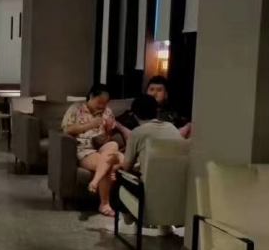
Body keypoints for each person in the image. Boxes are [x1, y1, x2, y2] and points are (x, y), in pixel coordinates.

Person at [62, 83, 123, 217]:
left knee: (113, 145)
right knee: (107, 162)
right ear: (91, 96)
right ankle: (104, 204)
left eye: (105, 103)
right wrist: (90, 125)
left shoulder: (107, 112)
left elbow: (109, 136)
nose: (102, 106)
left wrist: (108, 128)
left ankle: (95, 181)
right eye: (99, 102)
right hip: (85, 149)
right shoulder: (75, 109)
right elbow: (67, 129)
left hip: (102, 145)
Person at [121, 93, 183, 174]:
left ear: (135, 115)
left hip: (151, 180)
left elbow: (126, 167)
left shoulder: (137, 132)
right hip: (178, 178)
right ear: (157, 112)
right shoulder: (172, 127)